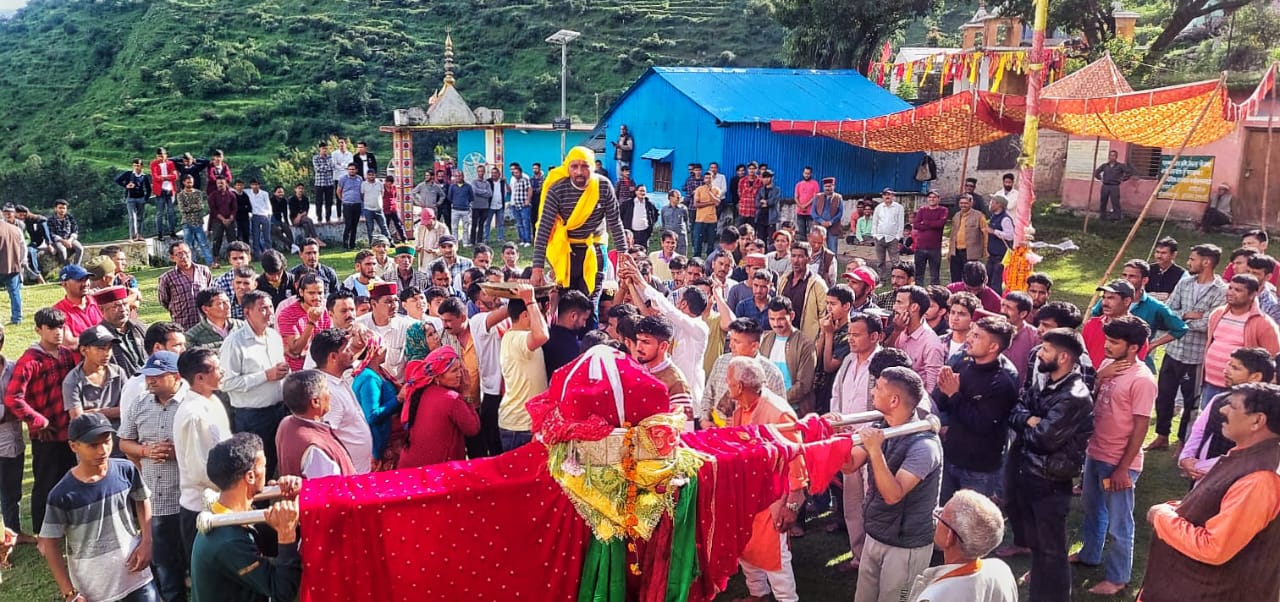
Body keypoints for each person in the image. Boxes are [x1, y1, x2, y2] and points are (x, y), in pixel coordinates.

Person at [1139, 382, 1280, 602]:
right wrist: (1176, 509)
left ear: (1257, 421)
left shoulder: (1261, 480)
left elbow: (1214, 548)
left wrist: (1162, 517)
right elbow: (1220, 511)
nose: (1222, 410)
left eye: (1232, 406)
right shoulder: (1248, 458)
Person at [1005, 328, 1094, 602]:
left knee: (1052, 553)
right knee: (1039, 548)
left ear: (1063, 357)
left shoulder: (1074, 395)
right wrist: (1029, 419)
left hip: (1050, 483)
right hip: (1030, 475)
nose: (1039, 354)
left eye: (1045, 350)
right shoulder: (1046, 383)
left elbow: (1043, 439)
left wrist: (1029, 422)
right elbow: (1015, 410)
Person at [1072, 315, 1156, 596]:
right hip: (1096, 452)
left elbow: (1141, 426)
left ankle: (1118, 578)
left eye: (1114, 342)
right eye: (1107, 339)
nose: (1107, 345)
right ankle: (1090, 554)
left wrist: (1123, 468)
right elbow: (1092, 401)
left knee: (1120, 523)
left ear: (1133, 347)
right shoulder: (1108, 365)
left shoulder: (1142, 380)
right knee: (1092, 508)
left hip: (1118, 461)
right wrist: (1100, 377)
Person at [38, 413, 159, 602]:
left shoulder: (126, 470)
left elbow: (142, 500)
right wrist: (69, 593)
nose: (102, 450)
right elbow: (50, 544)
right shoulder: (62, 495)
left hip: (136, 576)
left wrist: (146, 541)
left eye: (107, 441)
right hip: (94, 587)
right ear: (73, 446)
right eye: (93, 445)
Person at [849, 367, 943, 602]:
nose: (872, 391)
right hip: (876, 533)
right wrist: (833, 435)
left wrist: (875, 450)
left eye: (878, 387)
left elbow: (893, 495)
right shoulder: (882, 427)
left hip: (906, 546)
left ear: (894, 400)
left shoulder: (924, 446)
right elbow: (849, 464)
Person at [726, 357, 807, 602]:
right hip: (748, 493)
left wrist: (792, 504)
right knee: (747, 546)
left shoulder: (778, 412)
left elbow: (797, 459)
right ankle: (758, 594)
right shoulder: (741, 407)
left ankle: (787, 599)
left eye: (729, 381)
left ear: (740, 386)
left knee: (775, 554)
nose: (727, 385)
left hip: (773, 497)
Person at [190, 434, 303, 601]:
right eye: (264, 465)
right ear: (250, 476)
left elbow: (273, 542)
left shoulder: (231, 512)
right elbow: (282, 591)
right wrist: (286, 534)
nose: (267, 471)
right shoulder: (228, 541)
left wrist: (292, 500)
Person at [118, 351, 187, 601]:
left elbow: (208, 449)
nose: (150, 380)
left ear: (176, 376)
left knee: (191, 557)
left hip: (187, 498)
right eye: (148, 375)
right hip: (155, 500)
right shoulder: (140, 402)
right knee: (165, 564)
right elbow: (124, 441)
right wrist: (146, 451)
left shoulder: (191, 404)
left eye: (157, 375)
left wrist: (177, 452)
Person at [4, 308, 80, 533]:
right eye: (51, 328)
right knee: (46, 482)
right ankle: (42, 530)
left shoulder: (66, 354)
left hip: (68, 430)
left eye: (61, 327)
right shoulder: (29, 360)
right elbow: (13, 398)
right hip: (46, 434)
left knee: (70, 477)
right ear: (39, 330)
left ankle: (68, 524)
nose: (58, 332)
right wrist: (39, 421)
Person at [933, 316, 1019, 501]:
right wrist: (942, 388)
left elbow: (982, 423)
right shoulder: (962, 364)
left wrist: (954, 395)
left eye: (977, 336)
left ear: (993, 347)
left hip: (979, 469)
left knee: (970, 518)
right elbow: (942, 403)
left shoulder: (1002, 382)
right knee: (942, 513)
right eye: (971, 333)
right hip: (951, 457)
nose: (969, 339)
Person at [1149, 244, 1225, 451]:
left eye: (1192, 259)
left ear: (1206, 262)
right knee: (1164, 396)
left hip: (1196, 356)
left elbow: (1209, 323)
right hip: (1173, 350)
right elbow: (1168, 311)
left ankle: (1183, 441)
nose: (1188, 262)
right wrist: (1187, 315)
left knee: (1191, 402)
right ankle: (1161, 436)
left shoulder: (1221, 290)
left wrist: (1180, 320)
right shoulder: (1185, 283)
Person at [531, 147, 627, 301]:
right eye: (574, 166)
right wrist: (537, 268)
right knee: (566, 301)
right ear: (567, 168)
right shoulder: (557, 189)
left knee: (591, 301)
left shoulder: (603, 186)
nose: (579, 172)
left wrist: (623, 255)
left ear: (593, 167)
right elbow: (544, 230)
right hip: (566, 251)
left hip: (595, 249)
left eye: (585, 166)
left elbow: (615, 222)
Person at [219, 291, 289, 477]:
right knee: (256, 469)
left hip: (279, 410)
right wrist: (265, 375)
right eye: (263, 308)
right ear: (247, 312)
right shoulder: (234, 342)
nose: (269, 312)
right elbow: (225, 383)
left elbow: (277, 370)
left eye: (270, 307)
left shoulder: (273, 336)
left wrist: (283, 372)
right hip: (252, 417)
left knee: (277, 463)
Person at [1178, 347, 1274, 482]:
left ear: (1256, 377)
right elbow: (1199, 430)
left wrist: (1201, 466)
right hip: (1201, 475)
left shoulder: (1264, 413)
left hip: (1233, 479)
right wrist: (1187, 457)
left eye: (1235, 368)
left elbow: (1248, 454)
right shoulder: (1219, 399)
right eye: (1228, 364)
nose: (1226, 370)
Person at [172, 348, 230, 561]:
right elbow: (200, 471)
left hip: (222, 502)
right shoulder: (193, 415)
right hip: (202, 508)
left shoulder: (212, 401)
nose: (223, 372)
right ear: (200, 378)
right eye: (217, 368)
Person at [907, 490, 1018, 602]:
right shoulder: (1001, 571)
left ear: (949, 536)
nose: (935, 518)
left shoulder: (934, 596)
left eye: (940, 515)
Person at [1202, 274, 1280, 407]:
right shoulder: (1217, 314)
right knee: (1208, 417)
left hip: (1241, 390)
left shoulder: (1263, 323)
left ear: (1253, 295)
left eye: (1238, 290)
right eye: (1230, 288)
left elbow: (1273, 359)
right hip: (1210, 383)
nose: (1231, 293)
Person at [398, 346, 479, 467]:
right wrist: (467, 393)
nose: (460, 375)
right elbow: (473, 428)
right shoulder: (451, 399)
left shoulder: (417, 392)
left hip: (411, 468)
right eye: (454, 371)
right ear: (438, 376)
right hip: (435, 472)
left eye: (460, 369)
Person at [310, 329, 374, 473]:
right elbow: (326, 438)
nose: (351, 352)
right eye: (346, 349)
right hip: (347, 473)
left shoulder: (337, 380)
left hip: (358, 468)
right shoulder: (328, 392)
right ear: (333, 357)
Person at [275, 369, 356, 479]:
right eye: (326, 389)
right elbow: (328, 485)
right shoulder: (314, 448)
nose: (330, 394)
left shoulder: (286, 423)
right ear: (315, 402)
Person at [497, 285, 549, 451]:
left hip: (520, 425)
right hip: (520, 428)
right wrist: (530, 301)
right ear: (525, 315)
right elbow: (542, 335)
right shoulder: (518, 338)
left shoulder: (516, 336)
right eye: (536, 312)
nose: (540, 317)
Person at [887, 285, 948, 393]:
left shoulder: (931, 343)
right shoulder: (899, 328)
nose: (894, 307)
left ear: (914, 307)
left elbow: (932, 388)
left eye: (899, 302)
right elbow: (887, 358)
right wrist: (896, 332)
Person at [157, 241, 213, 330]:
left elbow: (211, 294)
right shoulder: (167, 278)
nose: (184, 256)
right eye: (179, 254)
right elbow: (164, 301)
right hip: (182, 325)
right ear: (172, 258)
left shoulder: (204, 271)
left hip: (205, 323)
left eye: (186, 253)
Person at [947, 195, 987, 284]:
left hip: (971, 252)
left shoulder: (979, 215)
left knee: (970, 277)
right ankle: (957, 292)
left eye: (965, 203)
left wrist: (985, 250)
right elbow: (952, 235)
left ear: (971, 203)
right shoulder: (956, 215)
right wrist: (950, 251)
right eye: (961, 203)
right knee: (955, 277)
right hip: (956, 251)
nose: (963, 205)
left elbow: (985, 233)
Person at [983, 196, 1015, 294]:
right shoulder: (994, 217)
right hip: (992, 255)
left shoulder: (1005, 219)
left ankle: (996, 301)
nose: (990, 204)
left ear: (999, 204)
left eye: (993, 202)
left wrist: (994, 231)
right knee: (987, 280)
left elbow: (1010, 236)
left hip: (1001, 256)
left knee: (995, 283)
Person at [871, 189, 904, 281]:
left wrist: (897, 237)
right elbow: (875, 222)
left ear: (893, 196)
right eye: (885, 195)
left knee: (895, 262)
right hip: (879, 237)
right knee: (880, 261)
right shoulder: (879, 208)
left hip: (892, 238)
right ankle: (882, 280)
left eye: (889, 194)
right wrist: (874, 235)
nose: (887, 196)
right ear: (882, 196)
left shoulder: (899, 207)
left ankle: (897, 280)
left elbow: (900, 223)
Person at [117, 158, 153, 241]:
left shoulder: (144, 176)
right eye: (135, 166)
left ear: (141, 166)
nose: (136, 167)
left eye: (138, 165)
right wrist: (126, 185)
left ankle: (139, 235)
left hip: (141, 198)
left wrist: (146, 198)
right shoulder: (129, 174)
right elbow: (117, 180)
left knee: (140, 218)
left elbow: (148, 189)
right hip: (130, 198)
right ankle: (132, 236)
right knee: (132, 217)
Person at [1093, 150, 1134, 221]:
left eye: (1113, 155)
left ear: (1116, 157)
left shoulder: (1120, 166)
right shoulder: (1104, 165)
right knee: (1103, 201)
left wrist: (1123, 179)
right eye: (1110, 155)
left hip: (1114, 186)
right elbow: (1096, 172)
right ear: (1108, 157)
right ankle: (1102, 216)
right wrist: (1100, 178)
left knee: (1115, 202)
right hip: (1105, 186)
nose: (1112, 157)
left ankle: (1116, 217)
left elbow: (1129, 172)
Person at [0, 212, 25, 324]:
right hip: (13, 266)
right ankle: (17, 317)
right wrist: (21, 261)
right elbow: (23, 247)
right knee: (15, 293)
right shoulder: (16, 229)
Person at [336, 163, 364, 249]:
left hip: (357, 204)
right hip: (347, 205)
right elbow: (338, 191)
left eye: (353, 169)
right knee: (348, 225)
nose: (351, 171)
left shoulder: (360, 179)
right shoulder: (343, 179)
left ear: (356, 170)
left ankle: (352, 244)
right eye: (350, 169)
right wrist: (343, 200)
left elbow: (361, 191)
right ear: (347, 170)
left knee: (355, 225)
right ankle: (345, 244)